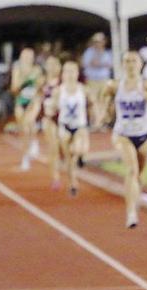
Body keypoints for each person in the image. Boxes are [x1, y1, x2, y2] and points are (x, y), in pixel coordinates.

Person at [98, 52, 147, 228]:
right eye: (127, 61)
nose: (130, 64)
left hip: (144, 135)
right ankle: (131, 213)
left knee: (140, 175)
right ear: (122, 65)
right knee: (131, 170)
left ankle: (135, 197)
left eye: (133, 61)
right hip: (122, 134)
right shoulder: (114, 85)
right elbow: (102, 97)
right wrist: (104, 112)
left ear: (140, 64)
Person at [53, 61, 91, 196]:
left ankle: (80, 156)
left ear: (77, 73)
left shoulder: (83, 89)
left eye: (72, 71)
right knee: (69, 158)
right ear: (63, 74)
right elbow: (53, 108)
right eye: (66, 71)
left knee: (77, 149)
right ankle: (73, 183)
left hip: (80, 126)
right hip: (64, 125)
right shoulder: (58, 91)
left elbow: (93, 103)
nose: (69, 74)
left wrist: (98, 115)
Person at [10, 47, 43, 170]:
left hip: (34, 101)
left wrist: (35, 98)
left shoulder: (37, 70)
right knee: (23, 130)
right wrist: (24, 81)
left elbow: (40, 88)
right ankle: (25, 159)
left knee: (29, 121)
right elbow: (13, 89)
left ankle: (34, 142)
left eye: (29, 57)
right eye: (24, 57)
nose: (27, 59)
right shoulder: (17, 70)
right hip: (21, 101)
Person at [39, 56, 62, 189]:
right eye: (49, 64)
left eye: (54, 64)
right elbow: (37, 99)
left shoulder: (63, 81)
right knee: (52, 148)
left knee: (65, 149)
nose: (52, 67)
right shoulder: (42, 82)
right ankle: (55, 177)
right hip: (49, 119)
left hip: (64, 118)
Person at [81, 33, 113, 124]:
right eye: (96, 42)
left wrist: (97, 64)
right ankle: (94, 122)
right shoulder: (89, 52)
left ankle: (103, 122)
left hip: (104, 80)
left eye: (100, 42)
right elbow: (87, 63)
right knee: (93, 101)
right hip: (92, 80)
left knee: (104, 101)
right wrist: (100, 64)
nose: (98, 44)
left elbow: (110, 65)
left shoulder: (107, 53)